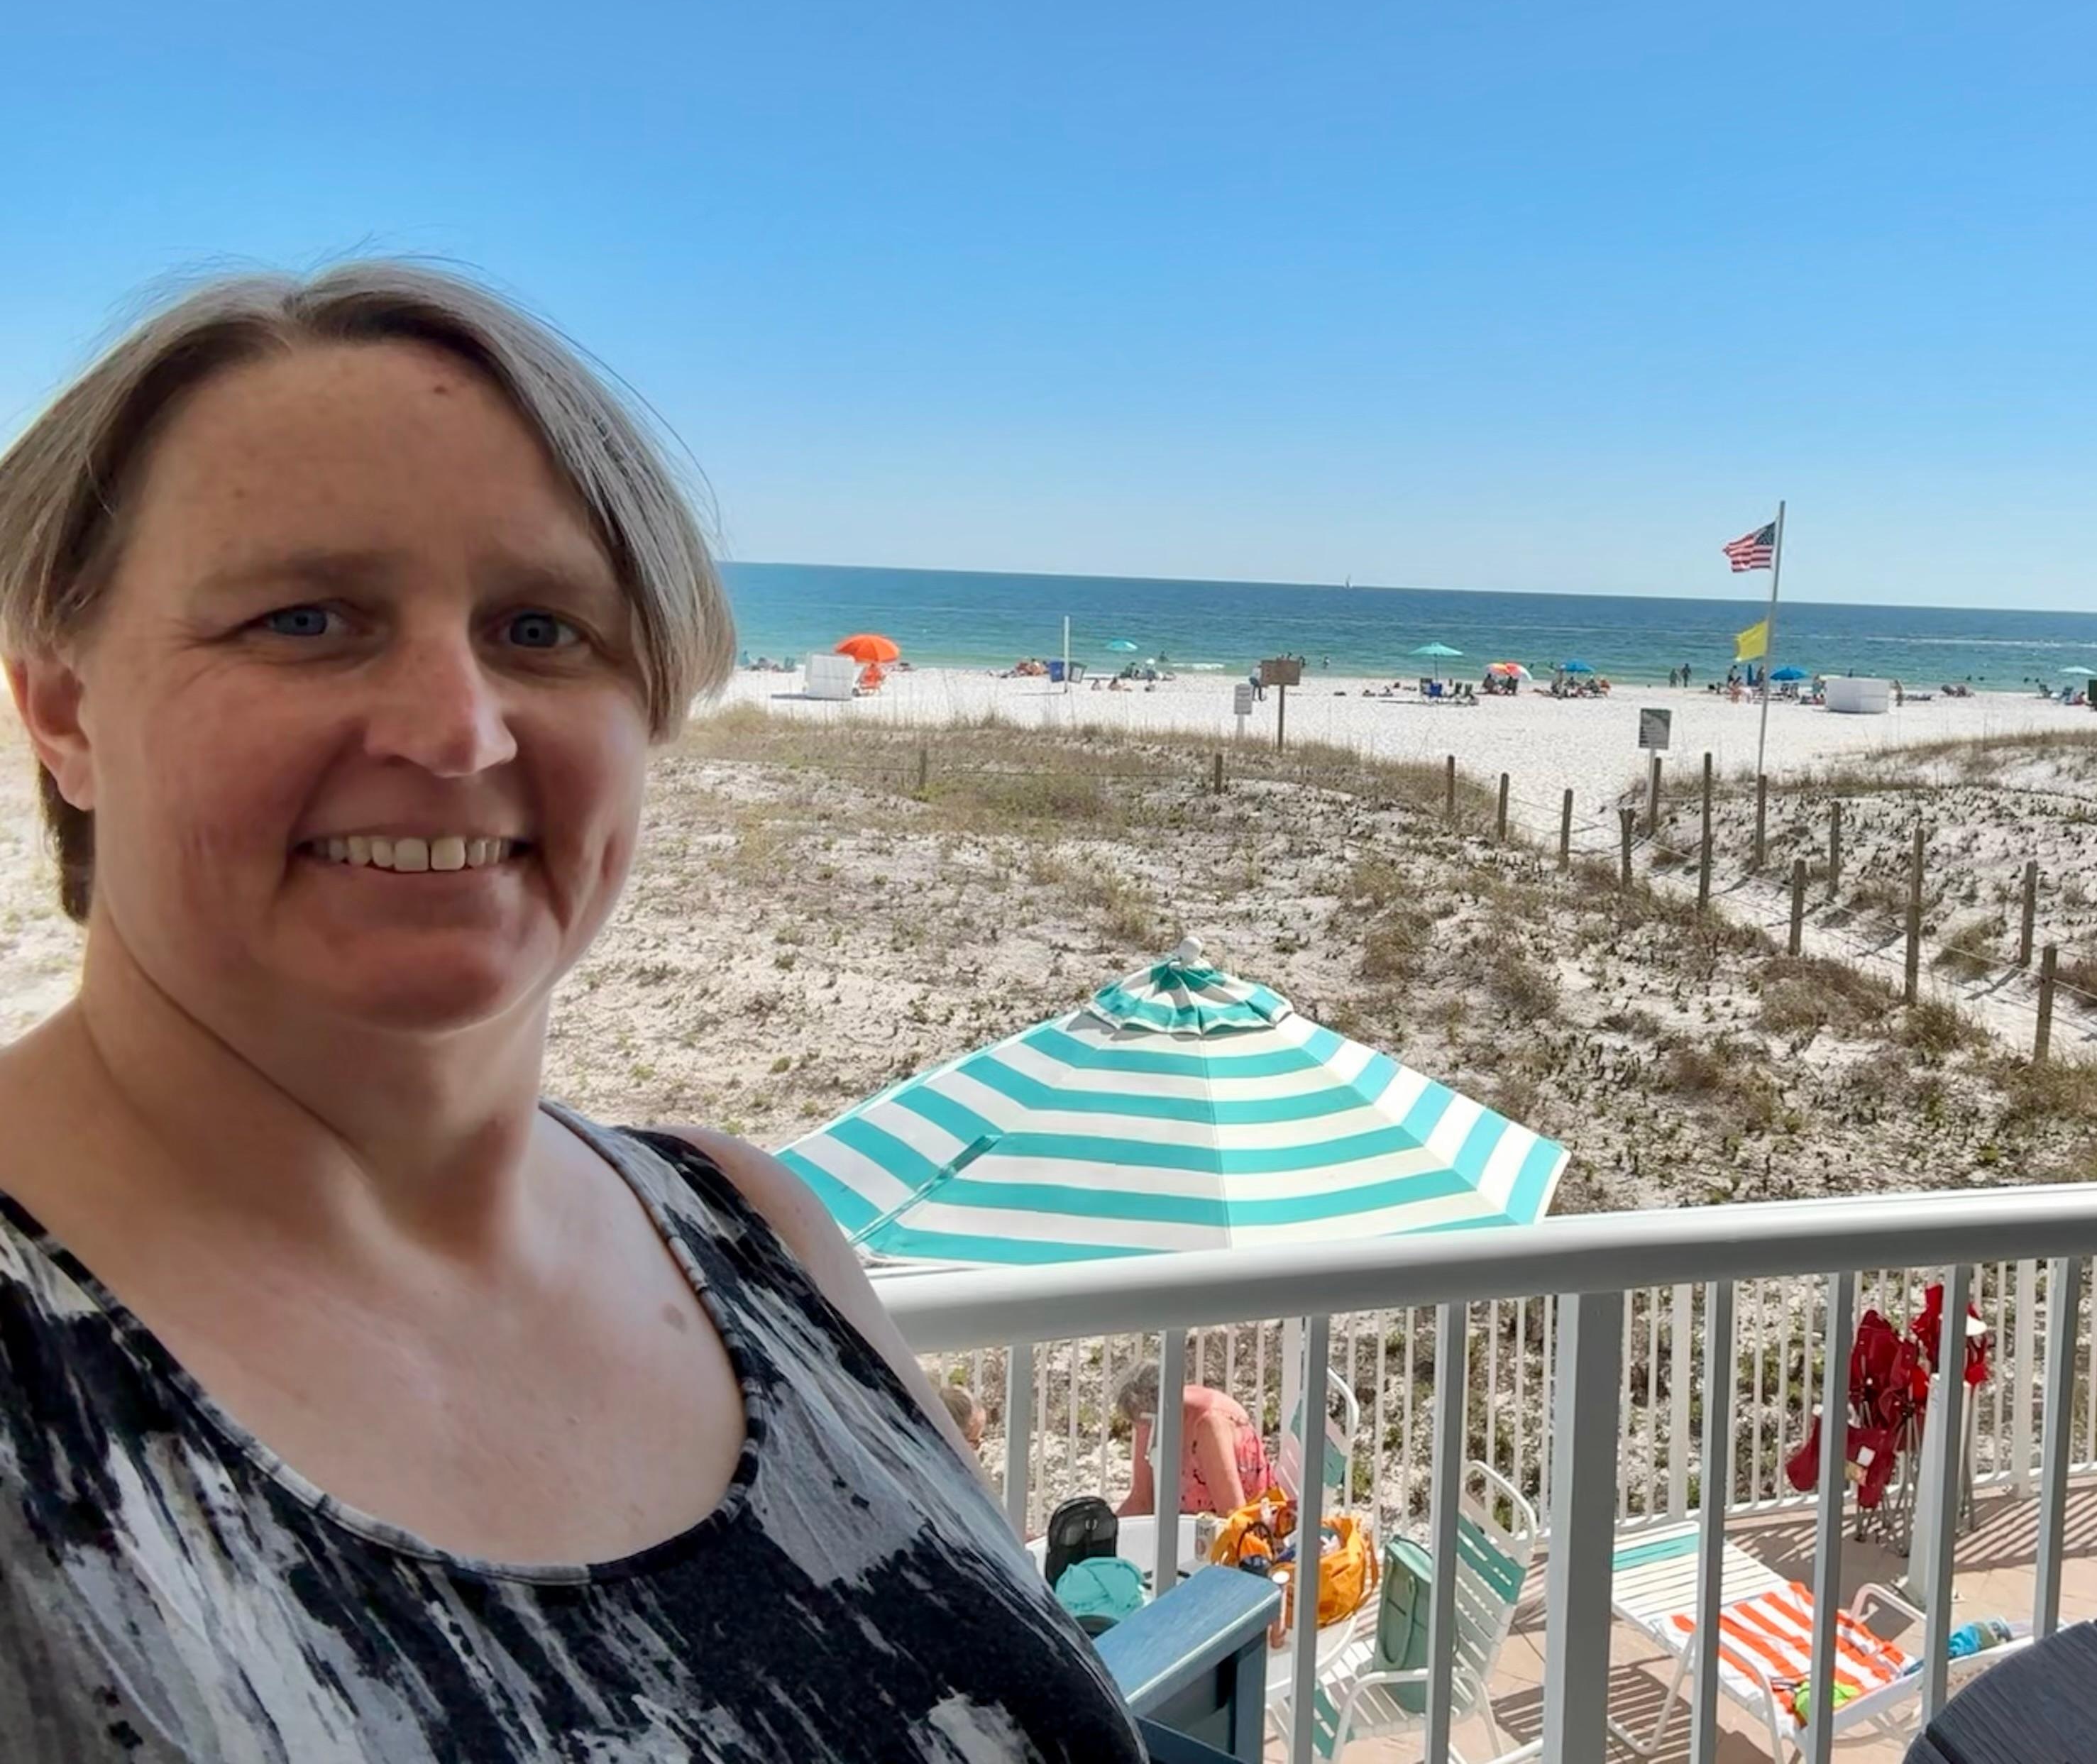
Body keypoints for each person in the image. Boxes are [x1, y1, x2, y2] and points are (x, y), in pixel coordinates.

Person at [0, 266, 1145, 1763]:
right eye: (305, 618)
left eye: (542, 630)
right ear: (63, 711)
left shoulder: (754, 1231)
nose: (455, 730)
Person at [1113, 1362, 1270, 1521]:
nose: (1143, 1430)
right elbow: (1142, 1502)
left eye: (1144, 1422)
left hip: (1235, 1532)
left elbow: (1233, 1515)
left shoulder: (1208, 1425)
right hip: (1187, 1529)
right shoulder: (1148, 1416)